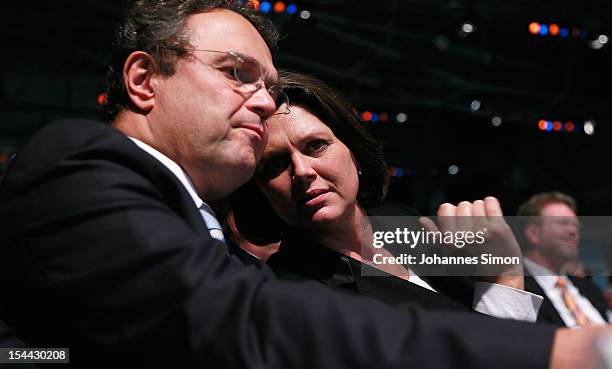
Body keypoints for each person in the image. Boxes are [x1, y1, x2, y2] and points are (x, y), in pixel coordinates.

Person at [0, 1, 605, 368]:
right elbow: (247, 323)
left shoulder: (406, 225)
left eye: (317, 146)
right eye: (237, 74)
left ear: (354, 151)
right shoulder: (287, 274)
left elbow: (541, 276)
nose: (262, 102)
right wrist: (517, 301)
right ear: (143, 79)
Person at [232, 70, 545, 319]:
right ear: (259, 188)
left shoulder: (399, 219)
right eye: (274, 163)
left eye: (316, 146)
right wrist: (503, 277)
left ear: (353, 152)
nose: (301, 170)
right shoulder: (293, 295)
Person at [518, 191, 612, 327]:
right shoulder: (515, 288)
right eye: (563, 222)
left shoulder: (588, 287)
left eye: (576, 225)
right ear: (533, 233)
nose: (573, 231)